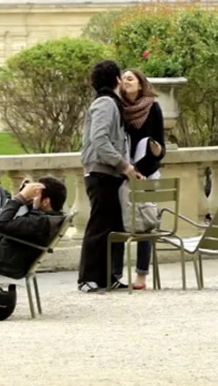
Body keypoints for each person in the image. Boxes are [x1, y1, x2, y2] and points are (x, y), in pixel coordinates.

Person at [78, 60, 142, 293]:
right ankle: (87, 278)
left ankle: (109, 276)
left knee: (113, 228)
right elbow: (100, 139)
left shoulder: (111, 103)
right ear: (116, 80)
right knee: (99, 227)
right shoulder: (106, 103)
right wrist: (124, 165)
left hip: (108, 173)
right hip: (101, 172)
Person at [0, 176, 67, 279]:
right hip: (11, 254)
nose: (33, 197)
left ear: (46, 202)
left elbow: (0, 225)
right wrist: (27, 200)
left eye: (37, 194)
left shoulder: (37, 223)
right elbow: (28, 225)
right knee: (2, 193)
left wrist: (21, 197)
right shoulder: (52, 218)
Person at [120, 68, 166, 290]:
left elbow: (161, 147)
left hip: (146, 171)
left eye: (131, 78)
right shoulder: (117, 106)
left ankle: (141, 275)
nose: (126, 81)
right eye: (124, 78)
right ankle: (115, 272)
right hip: (122, 172)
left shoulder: (152, 106)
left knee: (146, 223)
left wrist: (153, 154)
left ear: (140, 84)